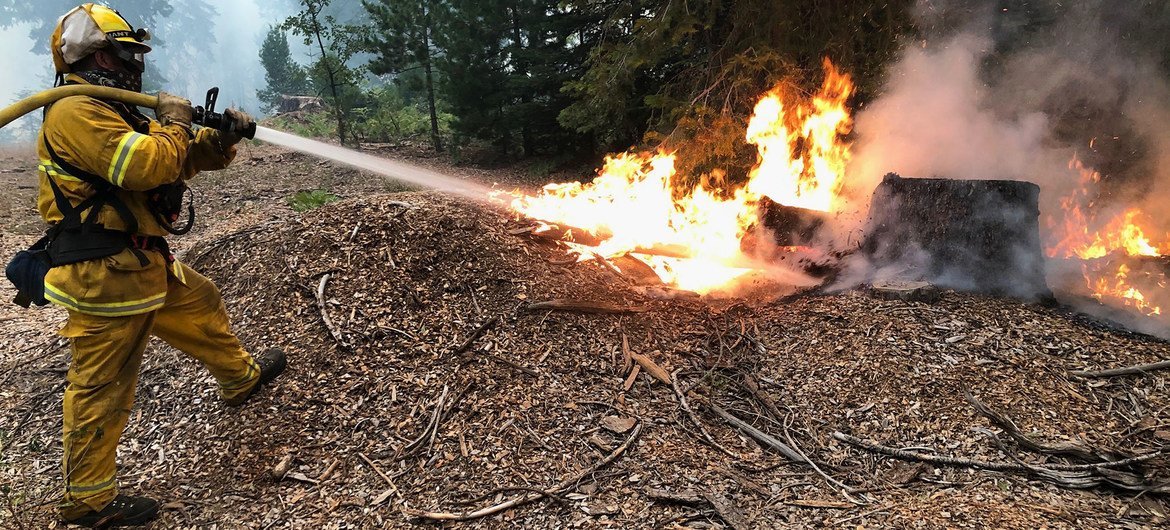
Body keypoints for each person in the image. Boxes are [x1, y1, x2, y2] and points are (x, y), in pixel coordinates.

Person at [37, 4, 287, 527]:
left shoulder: (114, 108)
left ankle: (239, 378)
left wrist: (220, 137)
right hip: (104, 273)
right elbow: (145, 164)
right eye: (128, 53)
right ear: (99, 55)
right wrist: (172, 124)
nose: (137, 65)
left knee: (200, 301)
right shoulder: (76, 111)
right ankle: (87, 502)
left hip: (138, 263)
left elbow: (179, 157)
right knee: (103, 384)